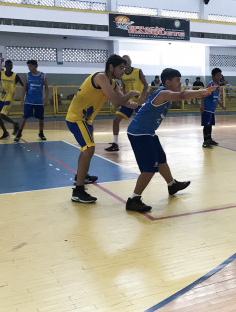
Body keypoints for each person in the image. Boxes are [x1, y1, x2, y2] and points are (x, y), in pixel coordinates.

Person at [125, 68, 216, 212]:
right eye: (177, 80)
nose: (180, 83)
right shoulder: (164, 93)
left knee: (161, 160)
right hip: (139, 134)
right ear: (168, 82)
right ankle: (133, 199)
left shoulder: (163, 93)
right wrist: (203, 92)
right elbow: (183, 95)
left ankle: (172, 184)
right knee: (149, 169)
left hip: (148, 132)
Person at [66, 54, 140, 203]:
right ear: (111, 67)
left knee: (86, 149)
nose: (123, 71)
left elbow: (123, 101)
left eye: (124, 68)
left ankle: (81, 176)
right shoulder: (100, 77)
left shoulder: (112, 83)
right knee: (89, 149)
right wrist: (131, 93)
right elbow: (117, 102)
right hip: (77, 118)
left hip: (86, 120)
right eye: (120, 68)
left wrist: (135, 105)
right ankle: (78, 191)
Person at [105, 55, 148, 152]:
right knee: (116, 120)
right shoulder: (122, 74)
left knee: (142, 122)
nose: (126, 62)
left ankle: (146, 142)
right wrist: (124, 98)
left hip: (139, 101)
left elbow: (146, 85)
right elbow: (123, 87)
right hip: (128, 101)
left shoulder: (138, 71)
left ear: (131, 61)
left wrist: (142, 96)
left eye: (127, 60)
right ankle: (115, 144)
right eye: (124, 61)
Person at [14, 60, 49, 142]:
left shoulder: (43, 75)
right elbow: (24, 88)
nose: (29, 68)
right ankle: (19, 133)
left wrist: (46, 99)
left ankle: (41, 133)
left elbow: (47, 88)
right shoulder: (27, 75)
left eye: (30, 66)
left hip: (39, 101)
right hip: (29, 100)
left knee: (41, 118)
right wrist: (22, 99)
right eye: (28, 66)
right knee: (24, 117)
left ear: (36, 66)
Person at [0, 59, 24, 140]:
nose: (10, 67)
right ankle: (5, 132)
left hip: (9, 97)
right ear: (5, 66)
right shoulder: (1, 74)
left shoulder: (15, 75)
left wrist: (25, 95)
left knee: (2, 114)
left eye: (11, 66)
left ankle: (15, 124)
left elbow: (23, 85)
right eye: (8, 65)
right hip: (2, 96)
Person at [201, 67, 226, 148]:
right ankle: (205, 141)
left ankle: (209, 139)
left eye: (220, 75)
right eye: (218, 75)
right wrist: (202, 105)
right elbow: (203, 94)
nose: (220, 77)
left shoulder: (217, 86)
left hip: (212, 109)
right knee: (206, 125)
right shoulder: (210, 84)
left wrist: (222, 105)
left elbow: (216, 97)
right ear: (213, 76)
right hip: (207, 108)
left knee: (210, 124)